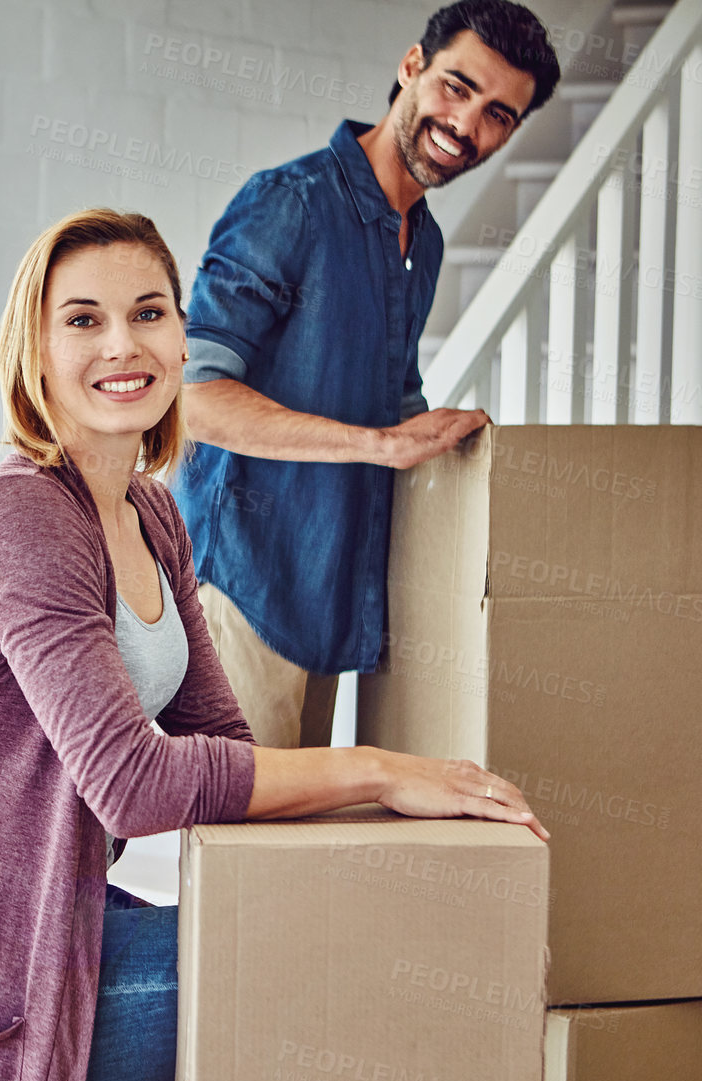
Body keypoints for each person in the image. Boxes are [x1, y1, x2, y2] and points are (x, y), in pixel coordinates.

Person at [0, 208, 549, 1081]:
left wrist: (382, 847)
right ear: (33, 352)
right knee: (352, 961)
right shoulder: (15, 515)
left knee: (370, 923)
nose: (122, 344)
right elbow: (133, 786)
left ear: (179, 336)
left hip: (69, 908)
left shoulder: (152, 513)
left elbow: (217, 735)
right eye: (81, 320)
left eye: (148, 313)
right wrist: (383, 771)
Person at [175, 0, 562, 748]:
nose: (465, 125)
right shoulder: (288, 205)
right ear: (410, 66)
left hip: (327, 589)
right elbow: (194, 400)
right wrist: (373, 442)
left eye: (497, 116)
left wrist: (432, 432)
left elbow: (383, 395)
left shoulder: (424, 241)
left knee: (296, 843)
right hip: (244, 586)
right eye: (456, 86)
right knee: (246, 849)